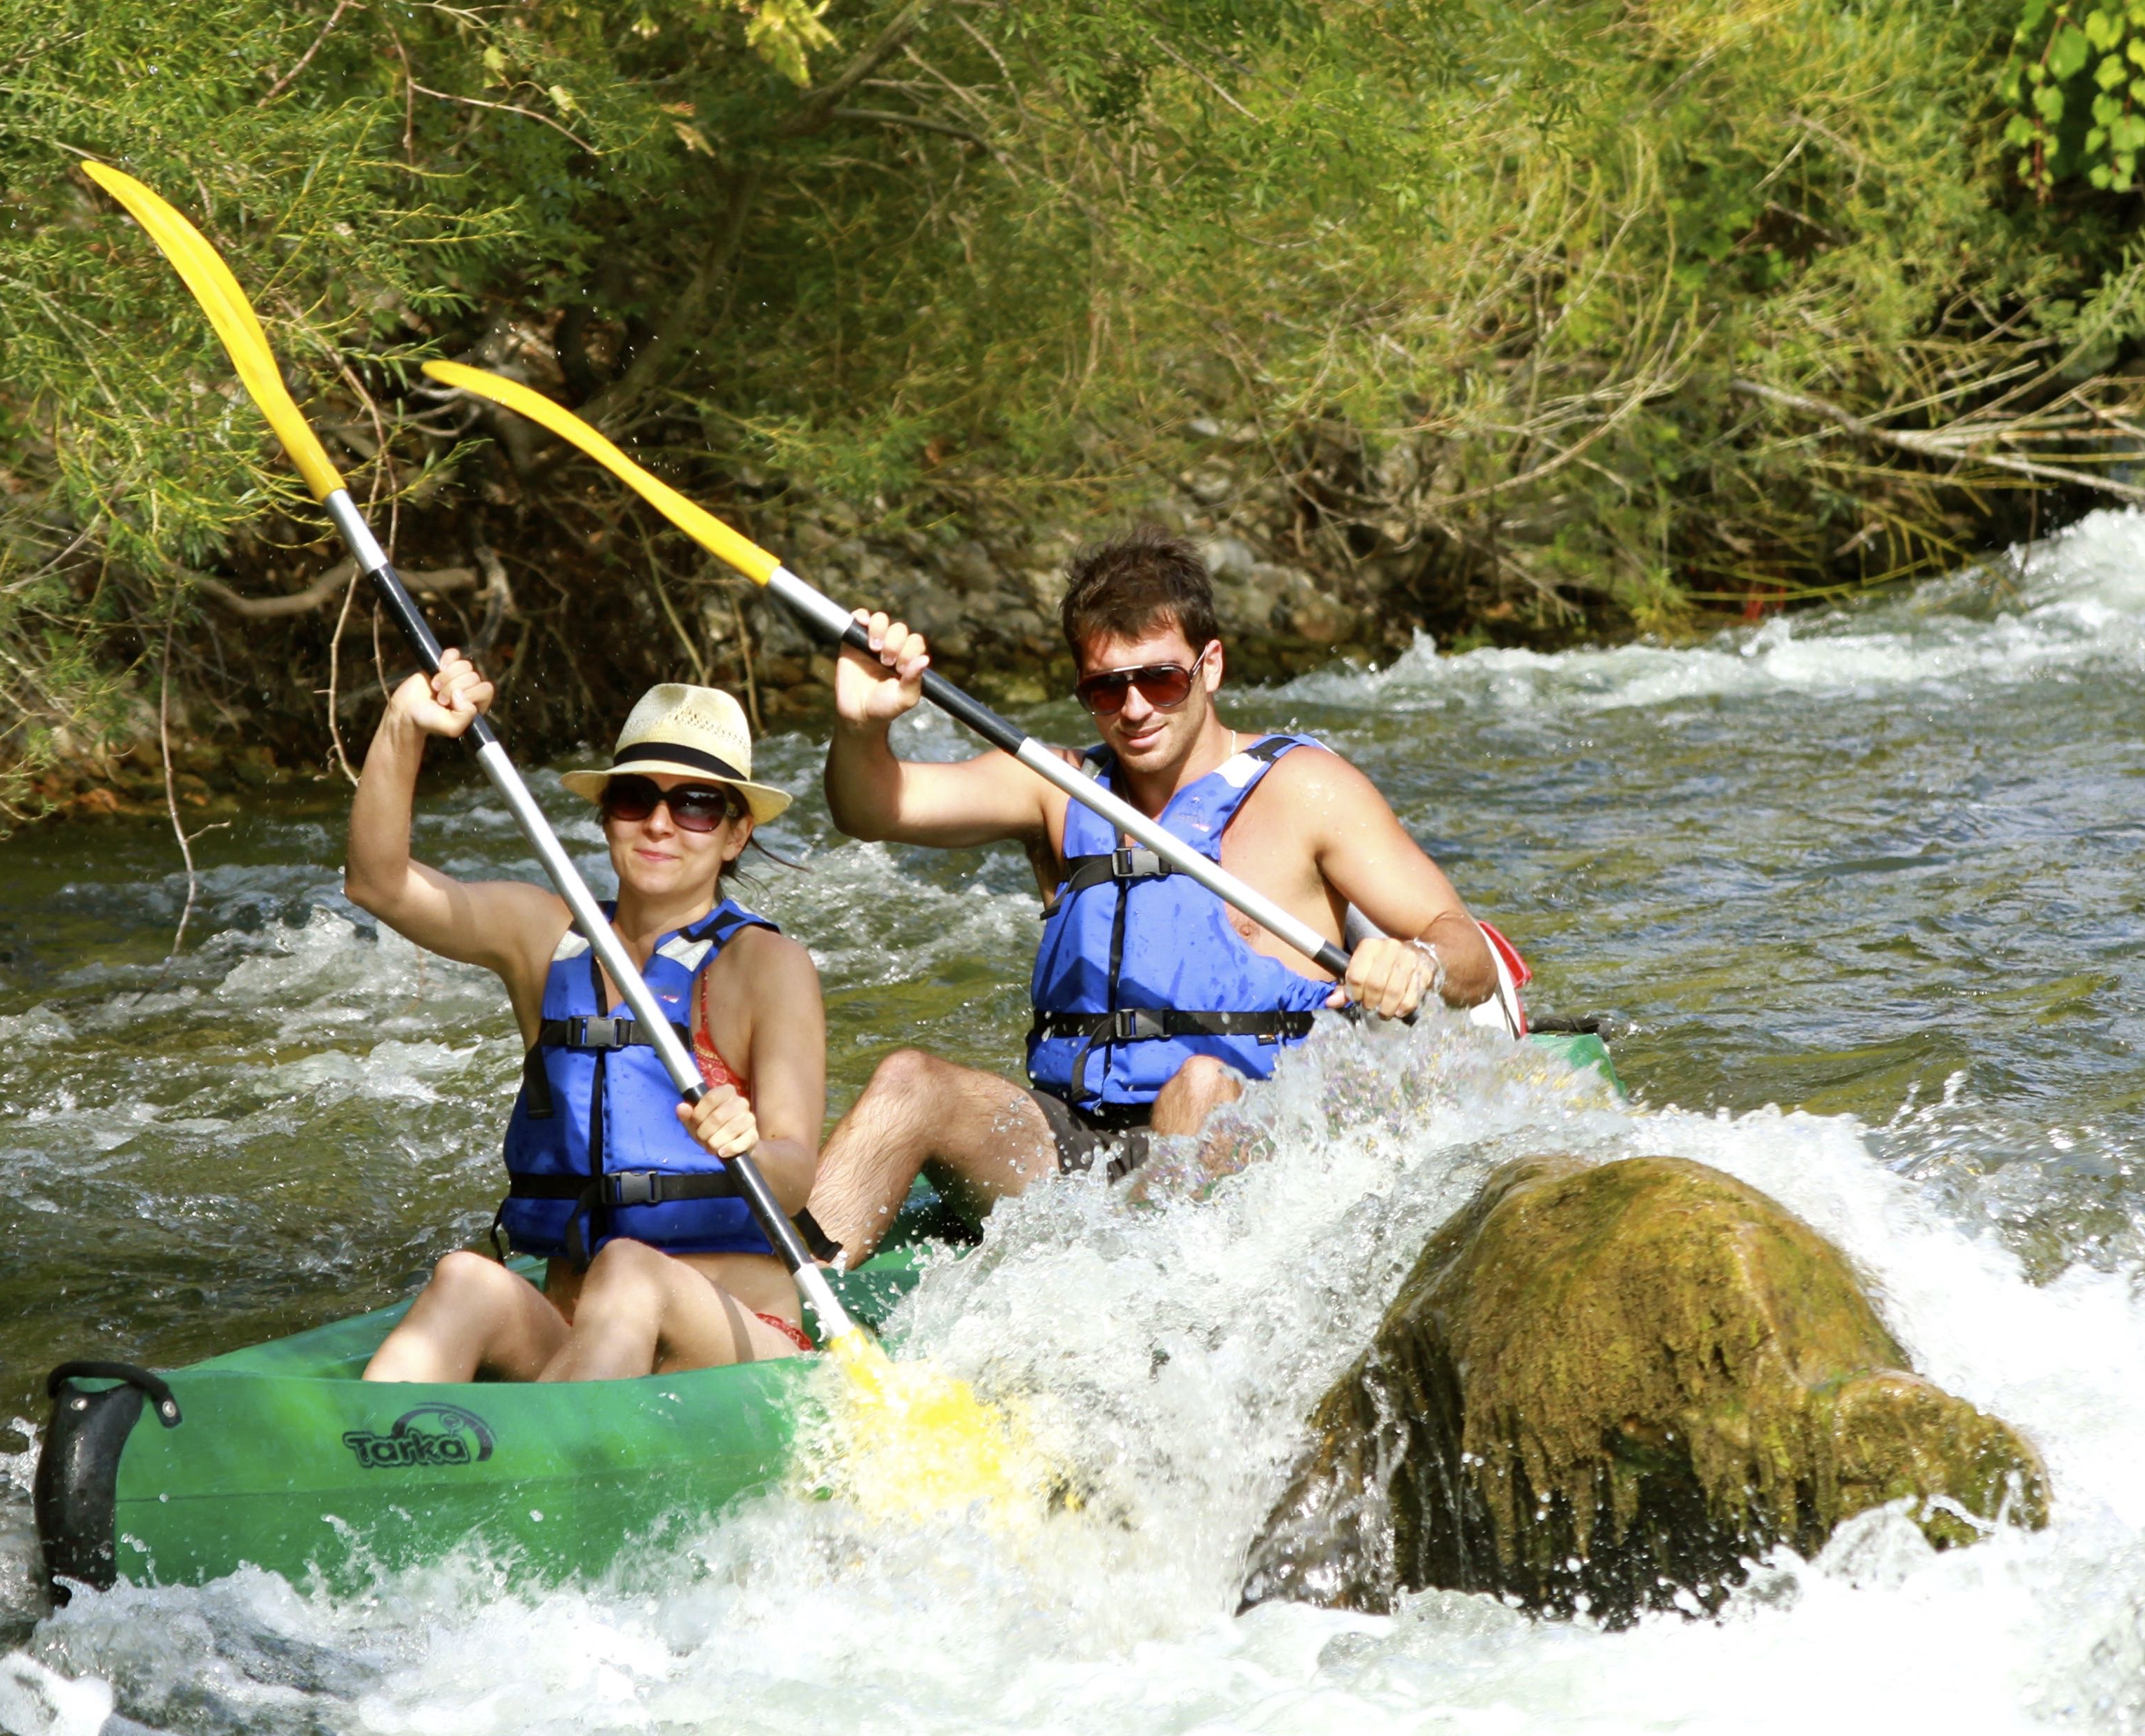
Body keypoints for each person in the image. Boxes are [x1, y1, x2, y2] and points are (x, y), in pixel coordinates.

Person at [802, 529, 1512, 1262]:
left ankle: (1142, 1310)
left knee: (1198, 1085)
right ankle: (791, 1317)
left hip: (1248, 1140)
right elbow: (871, 809)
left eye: (1161, 680)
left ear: (1211, 667)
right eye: (1106, 688)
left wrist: (1416, 963)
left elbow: (1465, 948)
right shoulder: (1060, 787)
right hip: (1075, 1147)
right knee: (907, 1082)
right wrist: (861, 726)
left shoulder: (1308, 790)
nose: (1134, 708)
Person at [348, 664, 829, 1381]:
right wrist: (402, 726)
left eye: (696, 804)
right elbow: (378, 883)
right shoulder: (543, 938)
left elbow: (792, 1175)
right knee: (464, 1280)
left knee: (630, 1269)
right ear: (608, 816)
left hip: (730, 1344)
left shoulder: (766, 965)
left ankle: (544, 1475)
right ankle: (371, 1465)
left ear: (735, 834)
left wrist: (748, 1146)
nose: (660, 823)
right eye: (636, 799)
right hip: (578, 1343)